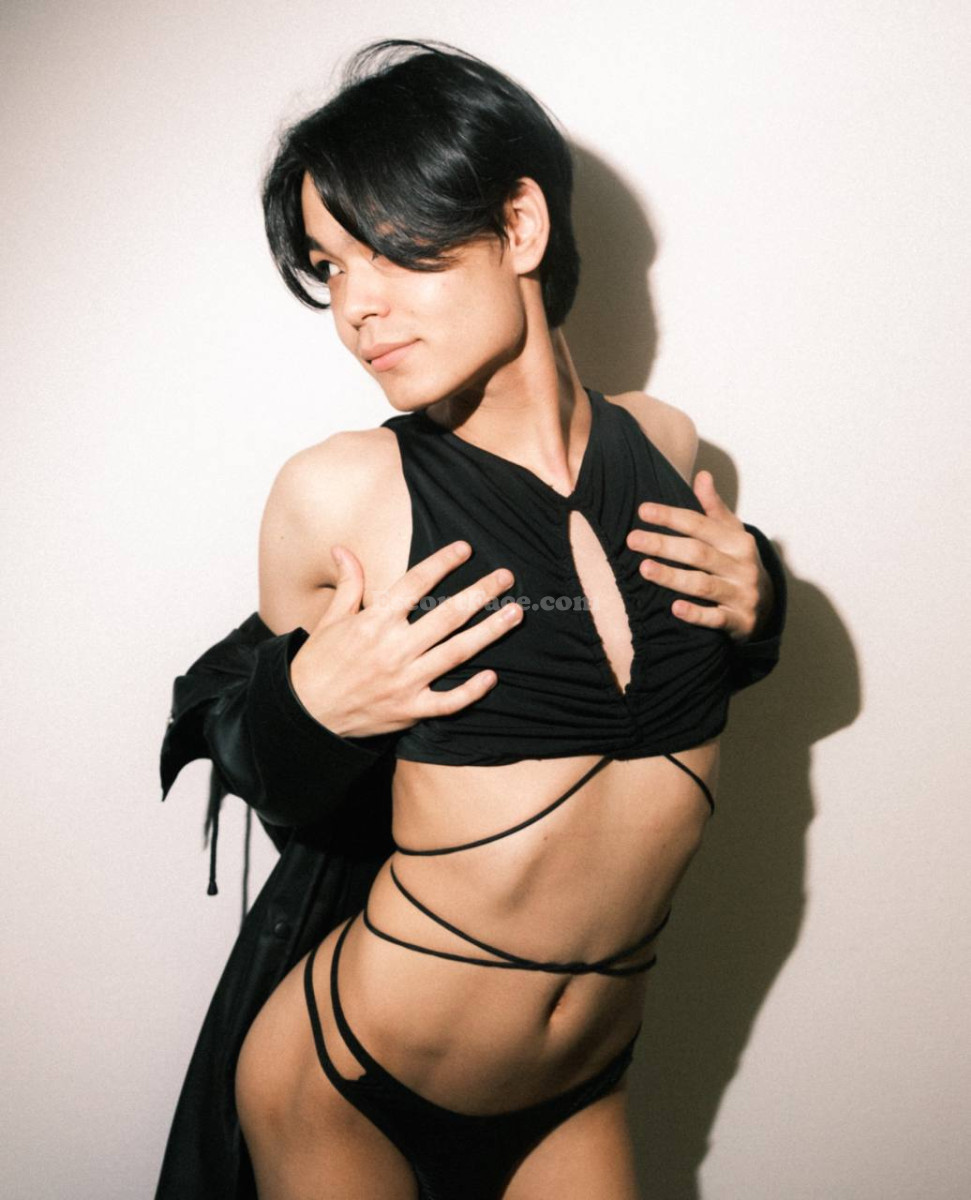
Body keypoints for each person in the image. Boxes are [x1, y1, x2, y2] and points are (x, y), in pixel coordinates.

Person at [156, 39, 787, 1200]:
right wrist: (302, 709)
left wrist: (761, 604)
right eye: (328, 267)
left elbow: (638, 690)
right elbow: (294, 801)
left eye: (390, 247)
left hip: (580, 1087)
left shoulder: (667, 447)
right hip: (346, 1083)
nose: (356, 306)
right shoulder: (340, 495)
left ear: (520, 227)